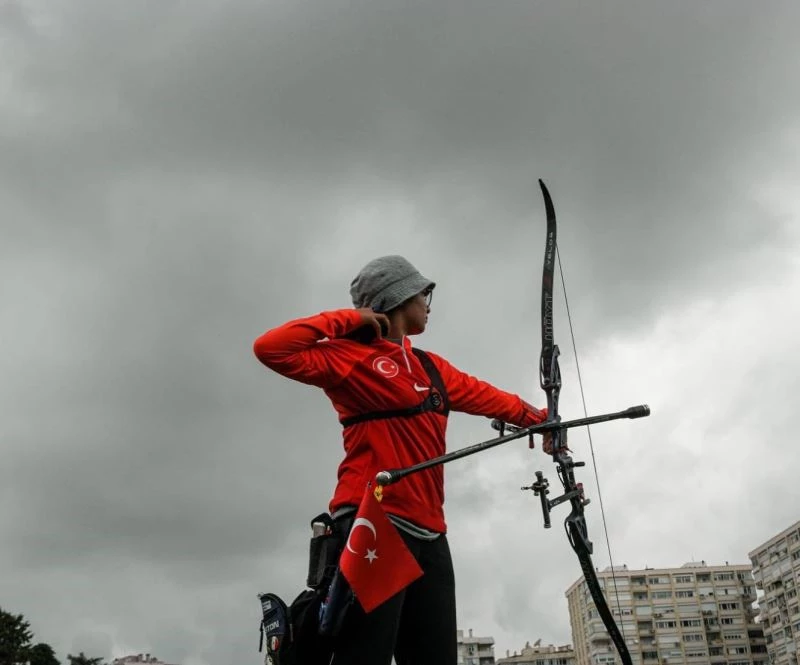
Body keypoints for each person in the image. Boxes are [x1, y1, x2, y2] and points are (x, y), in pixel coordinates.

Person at [253, 255, 550, 665]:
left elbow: (489, 397)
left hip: (430, 532)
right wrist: (351, 318)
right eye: (423, 293)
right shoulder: (346, 358)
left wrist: (543, 422)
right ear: (398, 298)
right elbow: (271, 348)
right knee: (365, 655)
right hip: (374, 522)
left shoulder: (430, 366)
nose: (428, 303)